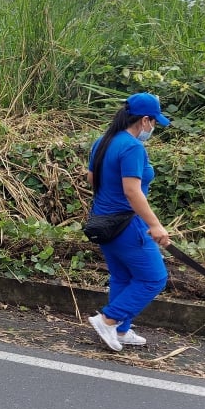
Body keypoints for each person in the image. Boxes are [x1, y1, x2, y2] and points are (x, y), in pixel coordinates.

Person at [86, 92, 171, 352]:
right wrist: (155, 225)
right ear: (144, 120)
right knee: (154, 278)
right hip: (127, 224)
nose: (153, 127)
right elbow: (132, 192)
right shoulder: (133, 147)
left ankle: (121, 330)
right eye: (154, 122)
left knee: (122, 276)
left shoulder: (102, 141)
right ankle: (108, 320)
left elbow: (91, 179)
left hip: (102, 222)